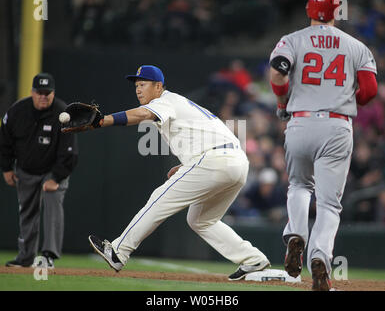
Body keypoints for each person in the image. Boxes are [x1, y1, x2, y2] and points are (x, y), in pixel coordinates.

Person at [85, 65, 270, 280]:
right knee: (201, 220)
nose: (138, 90)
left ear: (158, 86)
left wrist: (103, 120)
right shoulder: (181, 104)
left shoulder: (164, 101)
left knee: (159, 199)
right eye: (136, 85)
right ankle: (253, 260)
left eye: (143, 84)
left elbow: (143, 114)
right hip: (236, 162)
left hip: (214, 161)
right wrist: (187, 165)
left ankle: (119, 251)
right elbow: (213, 137)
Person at [269, 0, 378, 290]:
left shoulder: (292, 40)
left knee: (300, 185)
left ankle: (296, 235)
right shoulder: (357, 46)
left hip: (300, 121)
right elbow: (369, 92)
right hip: (337, 125)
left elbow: (277, 75)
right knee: (330, 204)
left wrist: (282, 103)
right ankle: (320, 258)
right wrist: (340, 95)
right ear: (336, 10)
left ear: (308, 9)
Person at [0, 73, 78, 269]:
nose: (43, 96)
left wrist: (56, 177)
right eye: (39, 92)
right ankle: (25, 258)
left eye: (47, 93)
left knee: (52, 204)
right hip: (26, 169)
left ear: (53, 93)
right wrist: (7, 168)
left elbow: (70, 152)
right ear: (32, 92)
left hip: (53, 170)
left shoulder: (63, 113)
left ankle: (48, 256)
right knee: (27, 211)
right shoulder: (17, 111)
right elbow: (4, 142)